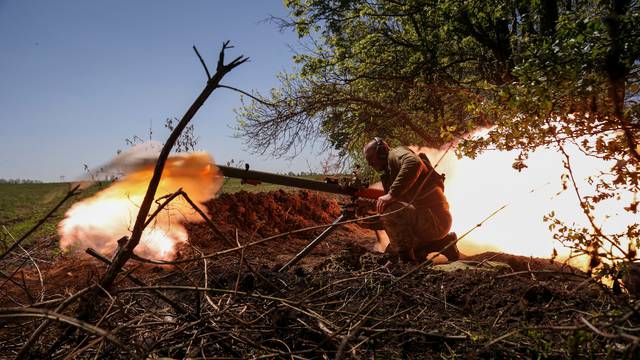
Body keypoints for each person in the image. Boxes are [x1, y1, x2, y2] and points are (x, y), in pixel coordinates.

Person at [362, 137, 460, 262]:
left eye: (371, 158)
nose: (370, 163)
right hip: (428, 222)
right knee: (391, 254)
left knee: (390, 211)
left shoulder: (395, 154)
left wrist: (392, 194)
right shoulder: (390, 172)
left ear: (382, 152)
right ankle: (444, 243)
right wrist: (368, 209)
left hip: (435, 221)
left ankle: (407, 264)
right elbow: (389, 218)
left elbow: (414, 163)